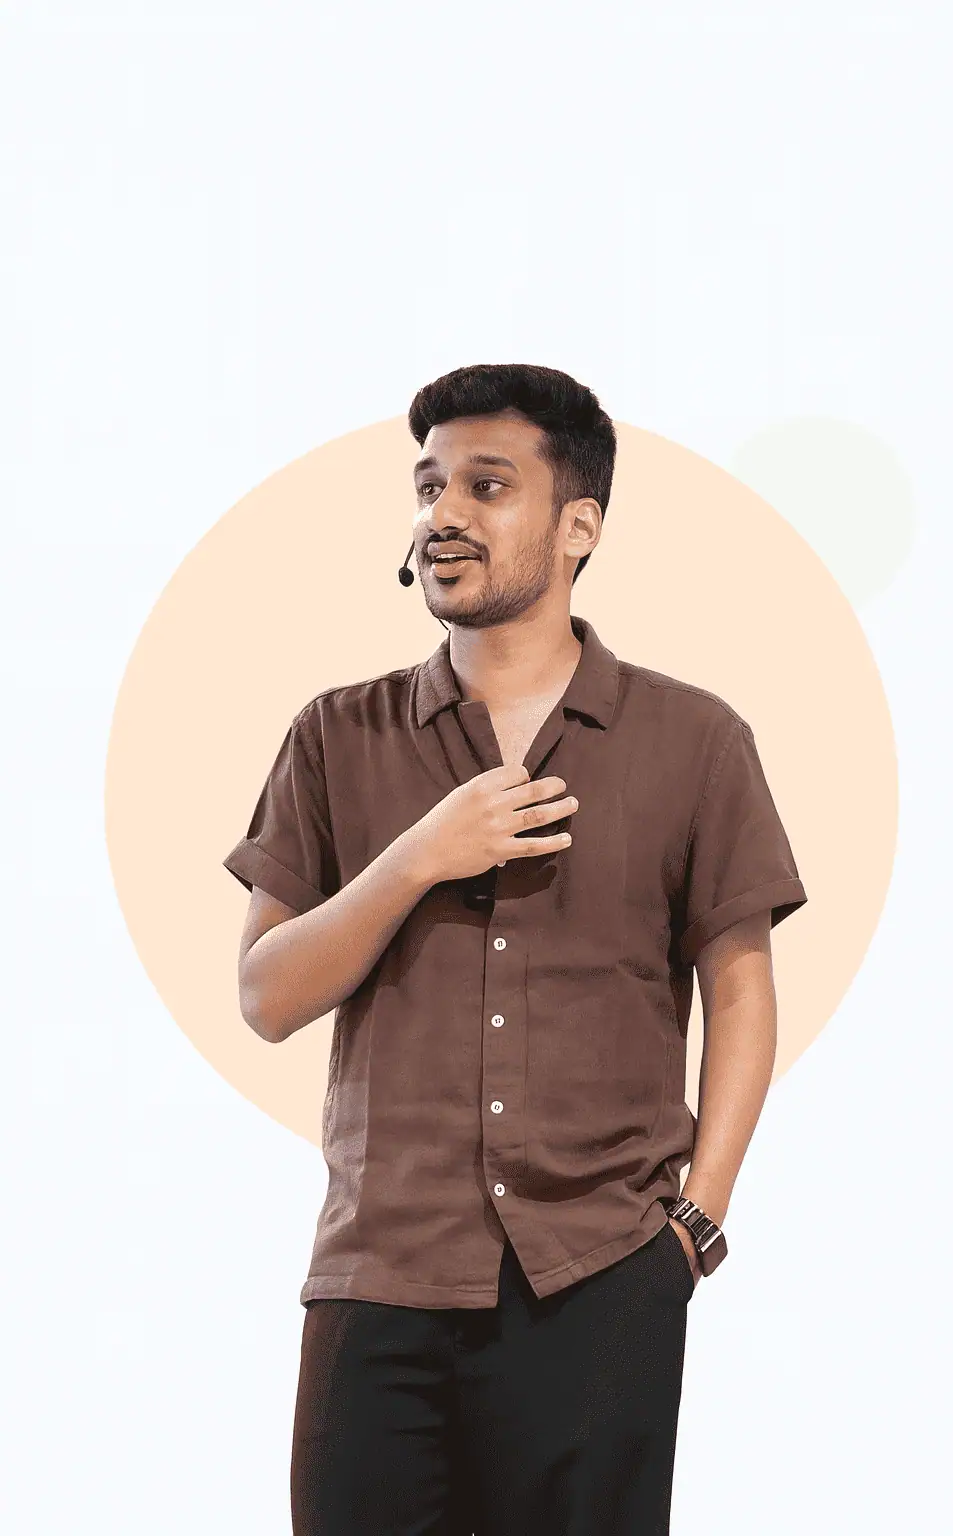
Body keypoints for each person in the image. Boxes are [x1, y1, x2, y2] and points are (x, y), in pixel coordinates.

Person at [223, 362, 808, 1535]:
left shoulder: (694, 739)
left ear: (578, 526)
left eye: (486, 486)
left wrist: (694, 1223)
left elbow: (739, 991)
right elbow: (266, 996)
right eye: (427, 485)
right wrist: (415, 857)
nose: (442, 513)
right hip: (379, 1274)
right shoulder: (335, 735)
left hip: (602, 1274)